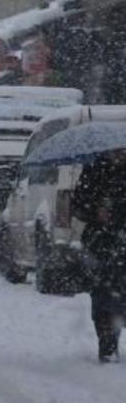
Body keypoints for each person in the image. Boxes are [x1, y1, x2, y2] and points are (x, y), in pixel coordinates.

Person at [73, 149, 126, 363]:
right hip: (102, 244)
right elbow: (78, 205)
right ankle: (107, 345)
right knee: (104, 294)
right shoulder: (95, 169)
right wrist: (95, 211)